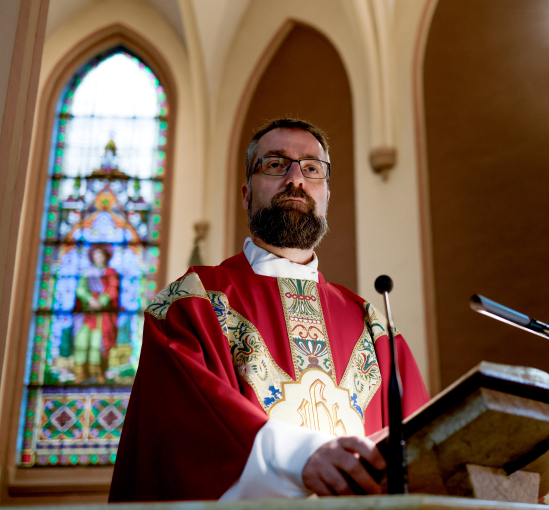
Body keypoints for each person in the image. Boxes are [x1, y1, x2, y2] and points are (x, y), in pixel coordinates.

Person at [109, 118, 429, 501]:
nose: (296, 179)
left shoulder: (374, 328)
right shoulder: (192, 304)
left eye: (312, 168)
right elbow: (185, 434)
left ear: (326, 194)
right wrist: (300, 459)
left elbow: (426, 449)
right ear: (246, 194)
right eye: (275, 164)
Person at [71, 243, 120, 384]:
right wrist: (90, 299)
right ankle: (80, 373)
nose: (98, 258)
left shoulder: (110, 273)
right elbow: (80, 289)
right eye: (95, 255)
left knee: (96, 342)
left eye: (101, 255)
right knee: (81, 339)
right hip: (87, 314)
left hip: (103, 316)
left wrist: (101, 301)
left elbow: (113, 289)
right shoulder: (87, 273)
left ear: (106, 257)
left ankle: (97, 372)